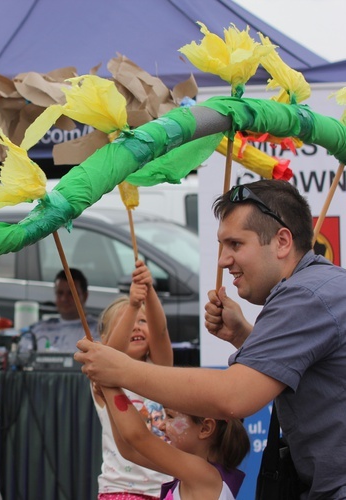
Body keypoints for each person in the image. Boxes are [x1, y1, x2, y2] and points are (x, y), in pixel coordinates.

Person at [75, 179, 346, 497]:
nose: (222, 260)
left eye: (235, 244)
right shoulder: (322, 285)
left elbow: (234, 397)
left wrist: (119, 370)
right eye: (221, 246)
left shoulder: (304, 294)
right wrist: (244, 336)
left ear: (282, 241)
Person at [94, 260, 173, 499]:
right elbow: (112, 357)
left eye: (142, 321)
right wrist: (132, 305)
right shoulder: (102, 377)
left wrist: (149, 293)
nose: (136, 327)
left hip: (166, 488)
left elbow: (160, 332)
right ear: (104, 339)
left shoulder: (158, 370)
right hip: (122, 489)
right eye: (126, 323)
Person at [99, 383, 249, 499]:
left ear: (205, 428)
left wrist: (109, 380)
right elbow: (130, 451)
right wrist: (108, 392)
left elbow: (138, 438)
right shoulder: (189, 474)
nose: (162, 425)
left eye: (170, 417)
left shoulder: (203, 474)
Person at [29, 268, 99, 350]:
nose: (64, 299)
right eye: (60, 293)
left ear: (85, 296)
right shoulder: (38, 329)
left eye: (71, 293)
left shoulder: (98, 331)